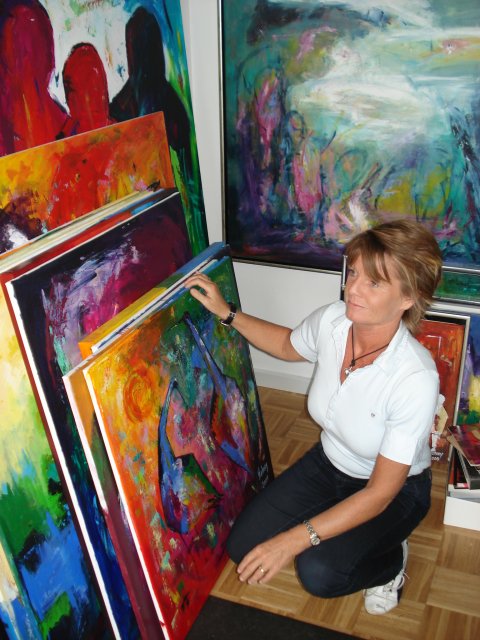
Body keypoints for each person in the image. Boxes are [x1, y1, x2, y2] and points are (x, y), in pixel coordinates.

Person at [186, 219, 443, 615]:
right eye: (353, 272)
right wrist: (227, 313)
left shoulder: (415, 378)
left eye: (374, 283)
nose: (352, 289)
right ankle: (351, 534)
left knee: (319, 572)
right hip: (329, 464)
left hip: (394, 491)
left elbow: (378, 493)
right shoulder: (334, 321)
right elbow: (287, 345)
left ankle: (390, 562)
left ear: (408, 298)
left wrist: (293, 539)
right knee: (243, 547)